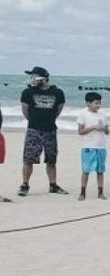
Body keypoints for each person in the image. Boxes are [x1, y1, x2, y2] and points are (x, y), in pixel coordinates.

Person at [18, 66, 68, 197]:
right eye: (31, 76)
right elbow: (25, 111)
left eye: (35, 76)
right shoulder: (27, 92)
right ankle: (25, 184)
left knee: (51, 159)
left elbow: (58, 109)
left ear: (44, 78)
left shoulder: (57, 93)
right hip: (34, 129)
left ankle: (53, 185)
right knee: (28, 159)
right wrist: (35, 121)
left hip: (50, 129)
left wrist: (48, 120)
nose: (33, 79)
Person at [76, 91, 110, 200]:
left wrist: (104, 129)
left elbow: (107, 131)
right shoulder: (83, 113)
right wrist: (93, 127)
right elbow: (80, 131)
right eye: (96, 103)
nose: (98, 105)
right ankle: (82, 192)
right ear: (88, 103)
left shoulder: (103, 113)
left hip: (101, 146)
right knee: (86, 170)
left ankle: (100, 192)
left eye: (99, 103)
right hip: (88, 146)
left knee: (100, 171)